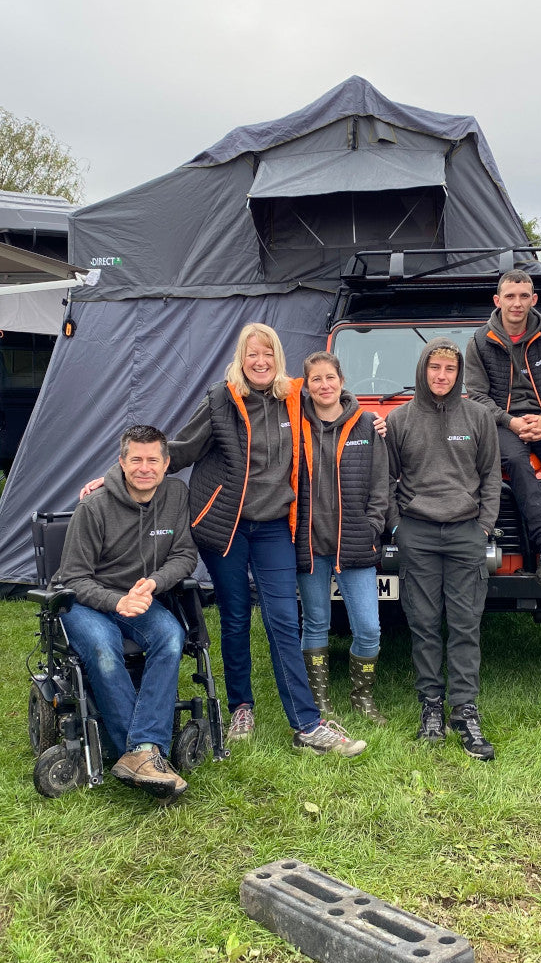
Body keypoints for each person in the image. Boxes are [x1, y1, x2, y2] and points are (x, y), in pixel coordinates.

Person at [167, 323, 367, 756]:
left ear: (278, 357)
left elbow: (337, 405)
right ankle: (242, 706)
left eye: (268, 354)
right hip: (226, 525)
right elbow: (181, 448)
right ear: (241, 358)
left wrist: (372, 427)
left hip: (276, 524)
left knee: (281, 619)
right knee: (236, 616)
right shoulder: (221, 399)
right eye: (252, 354)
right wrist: (123, 472)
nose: (260, 362)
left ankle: (307, 725)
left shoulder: (292, 397)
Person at [57, 425, 197, 797]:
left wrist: (155, 582)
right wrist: (116, 602)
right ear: (122, 462)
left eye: (153, 460)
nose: (145, 467)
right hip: (86, 600)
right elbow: (73, 578)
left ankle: (143, 751)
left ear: (167, 464)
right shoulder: (94, 506)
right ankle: (140, 754)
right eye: (136, 459)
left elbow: (185, 554)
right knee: (104, 648)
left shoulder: (176, 495)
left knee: (170, 636)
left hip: (139, 596)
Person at [386, 338, 501, 760]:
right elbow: (387, 479)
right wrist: (398, 527)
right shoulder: (399, 420)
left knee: (466, 624)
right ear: (423, 369)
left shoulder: (478, 416)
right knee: (424, 624)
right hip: (416, 533)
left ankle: (464, 710)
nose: (441, 375)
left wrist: (484, 525)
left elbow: (491, 475)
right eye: (434, 367)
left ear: (459, 374)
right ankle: (430, 707)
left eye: (449, 369)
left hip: (465, 533)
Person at [464, 270, 541, 586]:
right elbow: (476, 395)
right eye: (510, 296)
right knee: (516, 462)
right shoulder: (478, 342)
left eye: (524, 296)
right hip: (500, 422)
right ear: (497, 300)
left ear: (533, 299)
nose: (517, 303)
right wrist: (511, 421)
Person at [296, 350, 389, 723]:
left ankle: (361, 698)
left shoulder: (367, 425)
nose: (324, 385)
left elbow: (381, 484)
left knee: (368, 627)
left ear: (342, 380)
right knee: (315, 623)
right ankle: (319, 701)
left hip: (354, 542)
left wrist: (372, 525)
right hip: (309, 544)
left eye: (329, 377)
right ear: (307, 386)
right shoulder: (294, 424)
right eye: (315, 379)